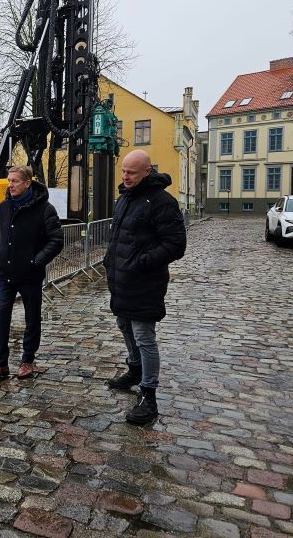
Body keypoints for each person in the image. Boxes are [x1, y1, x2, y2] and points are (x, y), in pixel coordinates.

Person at [104, 149, 186, 424]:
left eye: (131, 173)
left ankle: (148, 395)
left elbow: (176, 244)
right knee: (123, 324)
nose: (125, 177)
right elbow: (118, 237)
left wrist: (142, 262)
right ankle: (135, 368)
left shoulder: (162, 202)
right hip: (121, 278)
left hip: (145, 281)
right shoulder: (125, 198)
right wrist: (110, 262)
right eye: (123, 171)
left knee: (143, 335)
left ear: (147, 172)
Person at [0, 165, 64, 383]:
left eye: (15, 181)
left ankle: (27, 360)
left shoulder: (45, 209)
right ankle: (0, 365)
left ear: (27, 183)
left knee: (32, 317)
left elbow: (56, 240)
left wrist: (36, 261)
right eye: (9, 181)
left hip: (30, 275)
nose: (10, 185)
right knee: (2, 317)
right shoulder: (4, 207)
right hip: (5, 273)